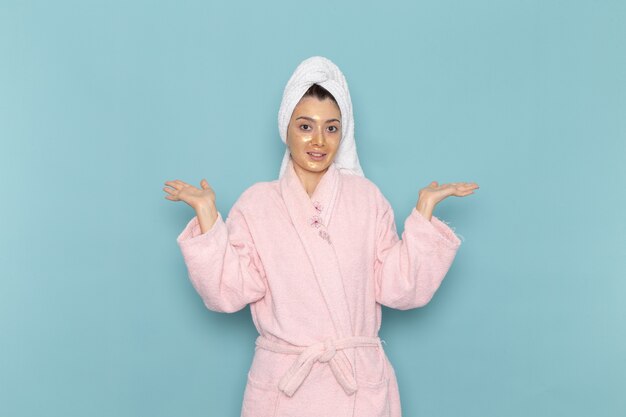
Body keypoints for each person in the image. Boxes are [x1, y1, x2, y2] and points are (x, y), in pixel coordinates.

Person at [163, 56, 479, 417]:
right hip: (285, 390)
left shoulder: (367, 199)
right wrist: (207, 215)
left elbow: (399, 288)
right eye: (305, 126)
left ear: (344, 133)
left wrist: (423, 212)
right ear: (286, 128)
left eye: (331, 128)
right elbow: (227, 292)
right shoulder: (257, 204)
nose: (318, 140)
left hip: (357, 388)